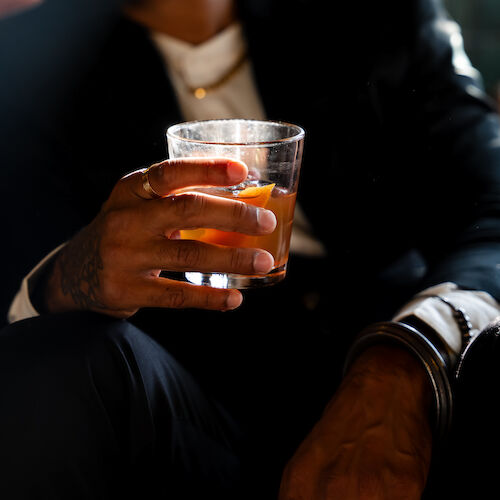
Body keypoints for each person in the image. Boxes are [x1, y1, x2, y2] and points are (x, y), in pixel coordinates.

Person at [1, 0, 500, 498]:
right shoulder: (20, 63)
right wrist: (70, 278)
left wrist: (409, 355)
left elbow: (493, 210)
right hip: (189, 418)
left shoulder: (380, 17)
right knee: (67, 363)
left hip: (400, 373)